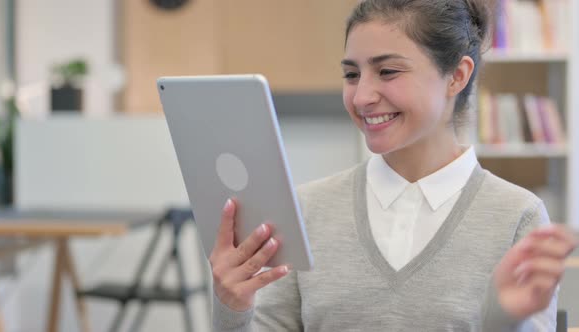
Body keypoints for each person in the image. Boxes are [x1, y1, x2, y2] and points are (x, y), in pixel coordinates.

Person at [210, 0, 578, 331]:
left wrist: (504, 322)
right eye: (352, 75)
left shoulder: (517, 215)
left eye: (387, 72)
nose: (363, 96)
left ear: (457, 75)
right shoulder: (304, 209)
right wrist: (232, 308)